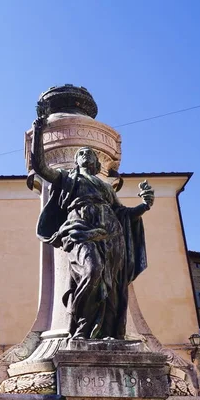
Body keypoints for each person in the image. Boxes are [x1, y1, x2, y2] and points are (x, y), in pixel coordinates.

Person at [31, 115, 154, 340]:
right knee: (92, 270)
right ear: (77, 160)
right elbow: (40, 166)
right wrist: (39, 132)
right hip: (80, 228)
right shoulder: (68, 178)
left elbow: (123, 213)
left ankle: (106, 331)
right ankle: (81, 326)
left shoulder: (105, 187)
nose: (86, 154)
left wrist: (145, 206)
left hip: (112, 233)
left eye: (90, 153)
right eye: (82, 153)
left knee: (112, 286)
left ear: (97, 163)